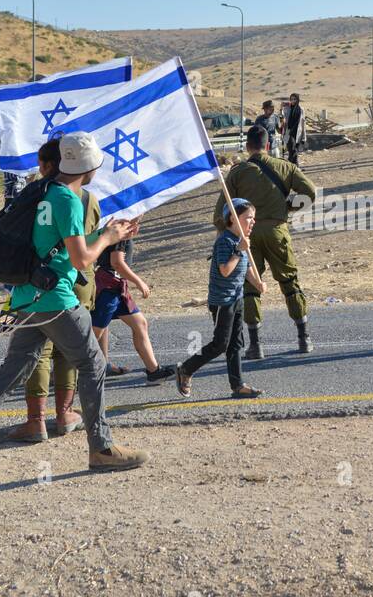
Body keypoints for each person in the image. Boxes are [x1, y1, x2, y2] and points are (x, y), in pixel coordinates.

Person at [0, 132, 147, 482]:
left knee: (11, 374)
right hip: (56, 301)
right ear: (90, 166)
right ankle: (101, 448)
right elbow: (81, 259)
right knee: (93, 363)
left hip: (27, 297)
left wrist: (108, 234)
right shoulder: (68, 200)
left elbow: (63, 247)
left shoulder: (45, 192)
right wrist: (109, 239)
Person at [7, 137, 102, 444]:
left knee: (40, 353)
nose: (39, 169)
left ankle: (36, 420)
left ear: (53, 165)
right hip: (79, 279)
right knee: (71, 354)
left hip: (43, 282)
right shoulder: (87, 199)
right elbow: (90, 239)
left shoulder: (40, 196)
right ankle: (65, 414)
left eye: (42, 163)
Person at [213, 125, 316, 358]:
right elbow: (310, 192)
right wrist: (288, 207)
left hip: (247, 234)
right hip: (278, 232)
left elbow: (221, 211)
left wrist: (227, 233)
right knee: (290, 282)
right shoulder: (286, 167)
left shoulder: (238, 172)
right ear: (268, 145)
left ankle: (256, 344)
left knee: (250, 285)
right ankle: (303, 338)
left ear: (247, 146)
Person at [175, 198, 265, 399]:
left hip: (237, 298)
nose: (253, 222)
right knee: (220, 344)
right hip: (223, 302)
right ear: (233, 218)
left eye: (253, 218)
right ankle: (186, 369)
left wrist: (257, 283)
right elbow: (225, 270)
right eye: (248, 218)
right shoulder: (225, 241)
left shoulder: (240, 242)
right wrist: (238, 250)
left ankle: (238, 385)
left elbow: (246, 267)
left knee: (235, 344)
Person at [89, 216, 173, 382]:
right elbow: (117, 263)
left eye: (139, 222)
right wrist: (139, 282)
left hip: (118, 289)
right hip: (108, 289)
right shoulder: (121, 231)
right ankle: (71, 375)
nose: (136, 227)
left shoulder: (121, 231)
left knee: (140, 323)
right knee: (93, 334)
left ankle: (153, 370)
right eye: (135, 221)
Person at [282, 93, 307, 165]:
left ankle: (293, 167)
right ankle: (294, 166)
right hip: (289, 133)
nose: (293, 101)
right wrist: (281, 108)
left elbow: (303, 123)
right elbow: (281, 118)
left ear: (298, 100)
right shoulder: (286, 109)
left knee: (294, 151)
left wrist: (304, 137)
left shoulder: (301, 109)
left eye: (295, 99)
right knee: (292, 150)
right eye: (291, 99)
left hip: (298, 134)